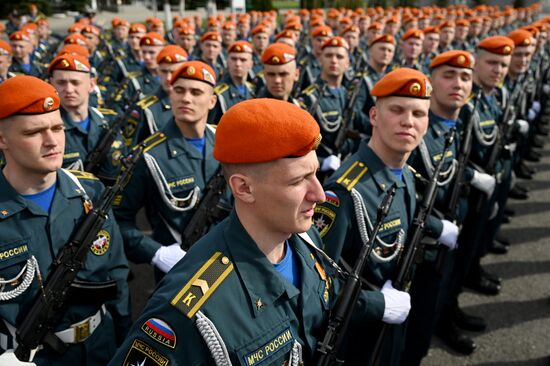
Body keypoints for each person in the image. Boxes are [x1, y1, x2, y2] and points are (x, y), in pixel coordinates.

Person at [108, 97, 404, 365]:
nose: (319, 194)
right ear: (244, 188)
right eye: (299, 180)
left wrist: (377, 303)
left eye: (315, 174)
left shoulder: (305, 237)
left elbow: (326, 295)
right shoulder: (191, 309)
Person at [0, 75, 130, 365]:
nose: (52, 141)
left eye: (57, 128)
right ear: (2, 139)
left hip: (100, 346)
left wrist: (124, 341)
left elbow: (116, 274)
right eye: (34, 132)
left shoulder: (90, 191)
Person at [313, 67, 431, 365]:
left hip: (392, 323)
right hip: (355, 339)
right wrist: (378, 304)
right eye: (397, 110)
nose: (408, 121)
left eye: (419, 113)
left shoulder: (407, 176)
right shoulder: (344, 191)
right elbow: (317, 287)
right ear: (374, 116)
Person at [113, 61, 228, 280]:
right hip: (180, 273)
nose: (186, 98)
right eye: (179, 90)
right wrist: (156, 252)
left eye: (196, 92)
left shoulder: (226, 142)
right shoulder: (148, 156)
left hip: (229, 263)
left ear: (212, 101)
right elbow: (117, 219)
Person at [47, 53, 125, 185]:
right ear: (51, 85)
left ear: (91, 84)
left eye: (75, 82)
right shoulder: (46, 130)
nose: (69, 89)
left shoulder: (109, 121)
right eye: (61, 83)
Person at [208, 40, 255, 124]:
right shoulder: (218, 94)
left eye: (243, 60)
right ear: (227, 62)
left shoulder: (252, 89)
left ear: (250, 64)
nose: (237, 64)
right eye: (234, 59)